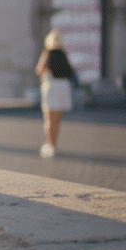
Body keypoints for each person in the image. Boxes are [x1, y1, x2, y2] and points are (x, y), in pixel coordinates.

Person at [35, 29, 76, 158]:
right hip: (63, 87)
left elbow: (39, 70)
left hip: (51, 86)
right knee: (57, 120)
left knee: (48, 119)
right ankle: (54, 144)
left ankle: (50, 145)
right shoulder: (63, 55)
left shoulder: (47, 53)